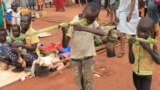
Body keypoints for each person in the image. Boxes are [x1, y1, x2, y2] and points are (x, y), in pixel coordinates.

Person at [60, 2, 104, 90]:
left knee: (89, 83)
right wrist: (64, 32)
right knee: (79, 84)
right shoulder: (75, 22)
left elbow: (102, 33)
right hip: (75, 59)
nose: (88, 21)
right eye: (87, 18)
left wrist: (83, 28)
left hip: (88, 58)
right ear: (83, 12)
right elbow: (65, 45)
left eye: (92, 19)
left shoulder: (93, 23)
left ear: (95, 18)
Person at [128, 17, 160, 90]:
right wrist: (130, 46)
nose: (141, 34)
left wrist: (149, 49)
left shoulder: (152, 43)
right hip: (135, 73)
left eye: (145, 32)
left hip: (146, 75)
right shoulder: (135, 42)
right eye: (139, 31)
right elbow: (131, 61)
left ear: (151, 32)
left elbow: (158, 61)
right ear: (136, 29)